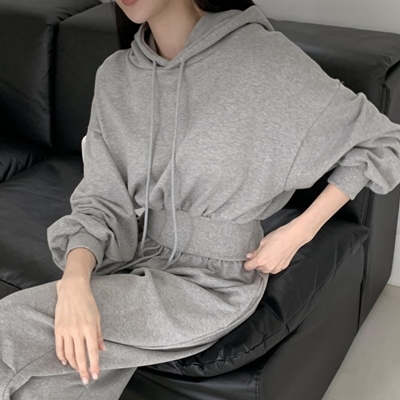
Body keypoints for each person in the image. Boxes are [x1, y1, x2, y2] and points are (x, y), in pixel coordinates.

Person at [2, 0, 400, 399]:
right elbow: (101, 201)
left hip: (212, 284)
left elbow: (384, 143)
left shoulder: (263, 60)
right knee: (59, 377)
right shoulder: (117, 76)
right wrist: (74, 282)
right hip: (133, 257)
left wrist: (300, 231)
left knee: (12, 329)